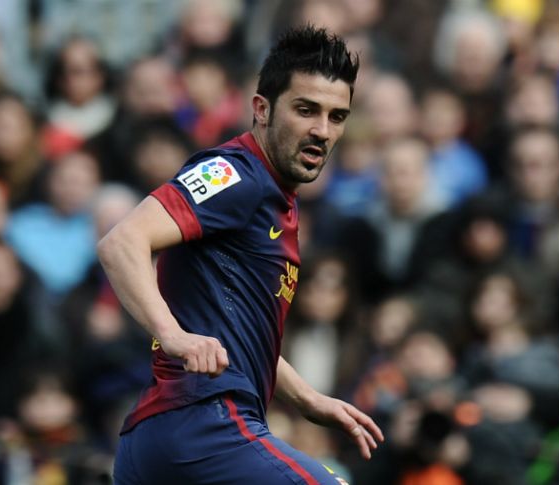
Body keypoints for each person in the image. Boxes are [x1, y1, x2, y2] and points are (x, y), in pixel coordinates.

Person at [97, 26, 384, 485]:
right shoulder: (235, 173)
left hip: (163, 438)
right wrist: (171, 335)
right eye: (306, 110)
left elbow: (242, 333)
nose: (322, 130)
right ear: (262, 109)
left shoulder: (274, 198)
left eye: (337, 116)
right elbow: (122, 242)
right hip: (203, 427)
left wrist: (307, 398)